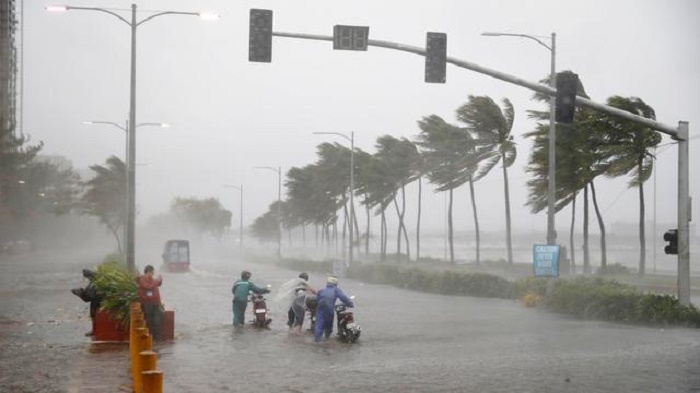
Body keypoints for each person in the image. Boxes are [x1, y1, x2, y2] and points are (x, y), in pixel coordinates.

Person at [314, 275, 353, 342]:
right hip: (329, 310)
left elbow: (317, 299)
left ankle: (317, 341)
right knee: (328, 326)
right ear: (336, 283)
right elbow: (343, 298)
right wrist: (350, 303)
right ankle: (327, 339)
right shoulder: (336, 290)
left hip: (320, 310)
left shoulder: (321, 290)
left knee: (319, 326)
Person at [70, 269, 102, 336]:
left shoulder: (95, 283)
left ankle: (95, 330)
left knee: (94, 314)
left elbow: (89, 297)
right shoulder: (95, 280)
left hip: (98, 301)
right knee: (93, 314)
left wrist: (80, 293)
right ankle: (95, 330)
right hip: (96, 300)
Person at [137, 265, 163, 341]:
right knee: (149, 320)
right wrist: (157, 280)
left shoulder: (152, 279)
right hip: (147, 303)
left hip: (155, 302)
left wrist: (160, 279)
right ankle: (150, 337)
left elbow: (158, 284)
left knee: (157, 320)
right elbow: (147, 286)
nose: (152, 274)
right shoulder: (142, 279)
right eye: (151, 272)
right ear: (147, 272)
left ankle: (157, 337)